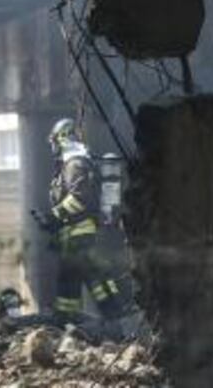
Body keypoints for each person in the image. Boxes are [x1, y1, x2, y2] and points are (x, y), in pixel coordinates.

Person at [39, 118, 126, 324]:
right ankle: (69, 324)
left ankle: (118, 322)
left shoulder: (75, 163)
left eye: (54, 141)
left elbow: (79, 198)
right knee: (74, 284)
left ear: (63, 139)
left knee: (93, 281)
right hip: (72, 238)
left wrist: (54, 216)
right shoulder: (71, 164)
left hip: (81, 236)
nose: (53, 147)